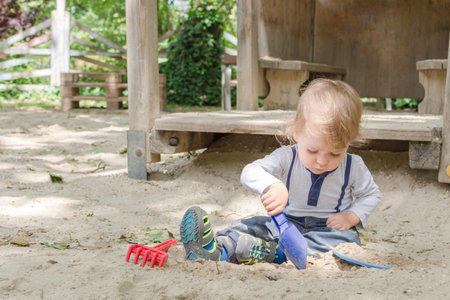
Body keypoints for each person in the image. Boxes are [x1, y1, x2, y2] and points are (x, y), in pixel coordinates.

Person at [180, 78, 381, 265]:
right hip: (284, 223)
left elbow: (370, 194)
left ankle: (273, 253)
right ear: (297, 132)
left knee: (342, 245)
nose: (321, 161)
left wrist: (351, 217)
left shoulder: (353, 166)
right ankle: (216, 249)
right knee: (251, 226)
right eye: (312, 150)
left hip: (328, 229)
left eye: (335, 154)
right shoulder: (287, 156)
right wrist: (272, 184)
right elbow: (250, 171)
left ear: (349, 143)